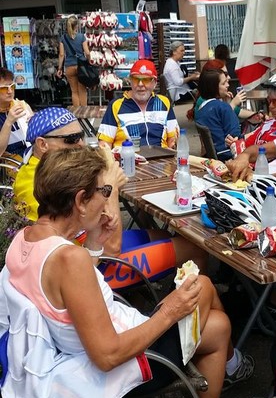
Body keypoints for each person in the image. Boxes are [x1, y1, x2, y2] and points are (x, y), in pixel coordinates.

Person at [1, 146, 249, 398]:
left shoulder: (27, 239)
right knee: (201, 285)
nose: (106, 200)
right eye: (103, 192)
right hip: (125, 367)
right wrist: (169, 310)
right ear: (80, 200)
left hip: (80, 352)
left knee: (218, 327)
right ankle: (225, 385)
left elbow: (61, 291)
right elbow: (107, 356)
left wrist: (94, 242)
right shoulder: (69, 259)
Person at [13, 107, 210, 281]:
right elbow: (111, 249)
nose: (81, 144)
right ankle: (187, 303)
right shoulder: (42, 183)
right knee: (194, 248)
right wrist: (110, 187)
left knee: (163, 234)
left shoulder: (38, 169)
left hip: (78, 252)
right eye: (71, 140)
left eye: (81, 136)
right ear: (42, 144)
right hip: (92, 267)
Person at [226, 72, 276, 179]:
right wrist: (236, 146)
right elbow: (247, 148)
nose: (271, 106)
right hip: (252, 178)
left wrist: (260, 178)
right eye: (269, 100)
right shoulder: (268, 123)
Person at [98, 59, 179, 149]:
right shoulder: (115, 106)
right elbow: (104, 144)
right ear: (130, 81)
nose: (140, 84)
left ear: (155, 83)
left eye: (146, 80)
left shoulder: (164, 103)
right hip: (127, 156)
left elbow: (172, 138)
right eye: (136, 79)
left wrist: (174, 147)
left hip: (162, 156)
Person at [195, 69, 241, 161]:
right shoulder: (223, 108)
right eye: (223, 83)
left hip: (214, 157)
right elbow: (235, 136)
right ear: (213, 87)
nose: (228, 85)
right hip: (228, 156)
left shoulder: (201, 109)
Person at [56, 15, 90, 106]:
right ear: (77, 26)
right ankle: (83, 111)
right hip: (81, 66)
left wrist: (59, 68)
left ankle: (76, 111)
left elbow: (61, 54)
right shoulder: (81, 37)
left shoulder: (63, 38)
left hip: (69, 66)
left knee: (74, 91)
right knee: (82, 90)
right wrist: (89, 60)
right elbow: (87, 52)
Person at [0, 67, 33, 160]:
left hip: (30, 154)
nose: (10, 91)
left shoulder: (22, 105)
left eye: (12, 86)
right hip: (10, 162)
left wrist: (34, 123)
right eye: (4, 89)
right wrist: (9, 122)